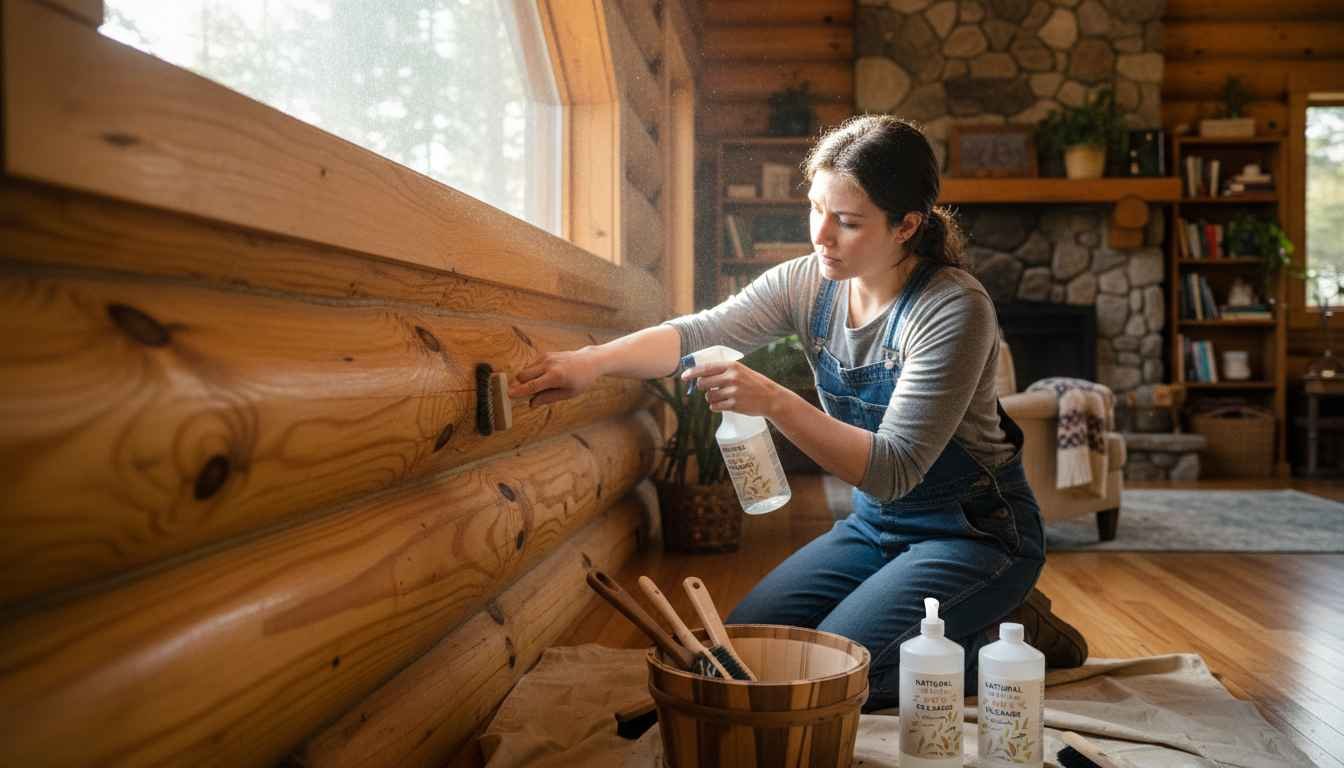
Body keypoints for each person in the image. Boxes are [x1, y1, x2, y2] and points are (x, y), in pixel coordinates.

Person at [508, 115, 1087, 709]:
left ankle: (1004, 639)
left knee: (826, 680)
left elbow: (893, 469)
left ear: (906, 226)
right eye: (816, 209)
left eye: (848, 221)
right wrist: (592, 361)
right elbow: (700, 332)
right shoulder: (809, 283)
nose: (821, 235)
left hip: (974, 534)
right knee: (739, 652)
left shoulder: (952, 309)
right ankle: (954, 627)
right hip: (874, 526)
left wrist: (773, 400)